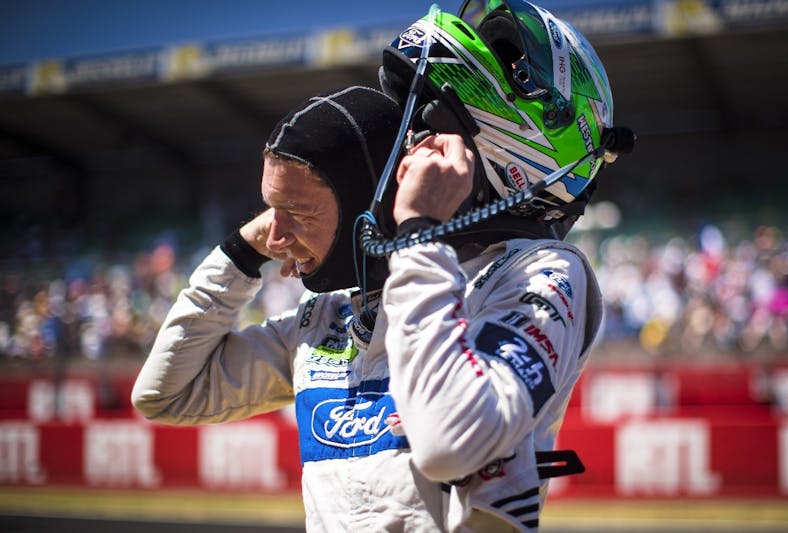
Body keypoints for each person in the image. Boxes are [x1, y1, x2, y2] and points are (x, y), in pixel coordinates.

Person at [132, 1, 632, 530]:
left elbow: (450, 444)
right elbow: (167, 394)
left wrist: (418, 231)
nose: (409, 152)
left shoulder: (541, 272)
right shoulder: (330, 315)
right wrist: (246, 248)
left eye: (426, 130)